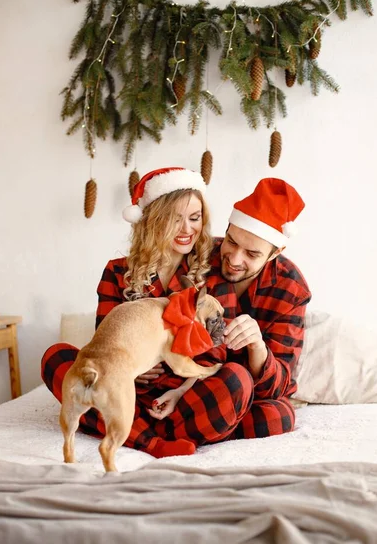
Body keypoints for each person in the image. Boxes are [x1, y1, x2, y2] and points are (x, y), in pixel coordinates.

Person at [41, 167, 253, 459]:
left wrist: (179, 391)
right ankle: (152, 442)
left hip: (185, 394)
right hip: (124, 389)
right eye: (174, 219)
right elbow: (106, 338)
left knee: (236, 379)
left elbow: (216, 353)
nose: (187, 229)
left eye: (194, 218)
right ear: (153, 220)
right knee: (59, 358)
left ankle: (139, 432)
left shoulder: (213, 274)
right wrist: (130, 370)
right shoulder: (117, 272)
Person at [140, 177, 311, 440]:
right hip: (190, 384)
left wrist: (257, 347)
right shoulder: (201, 256)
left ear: (275, 253)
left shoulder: (291, 288)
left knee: (278, 415)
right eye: (232, 241)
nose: (233, 258)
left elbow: (278, 386)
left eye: (252, 254)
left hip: (243, 391)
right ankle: (197, 426)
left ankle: (151, 430)